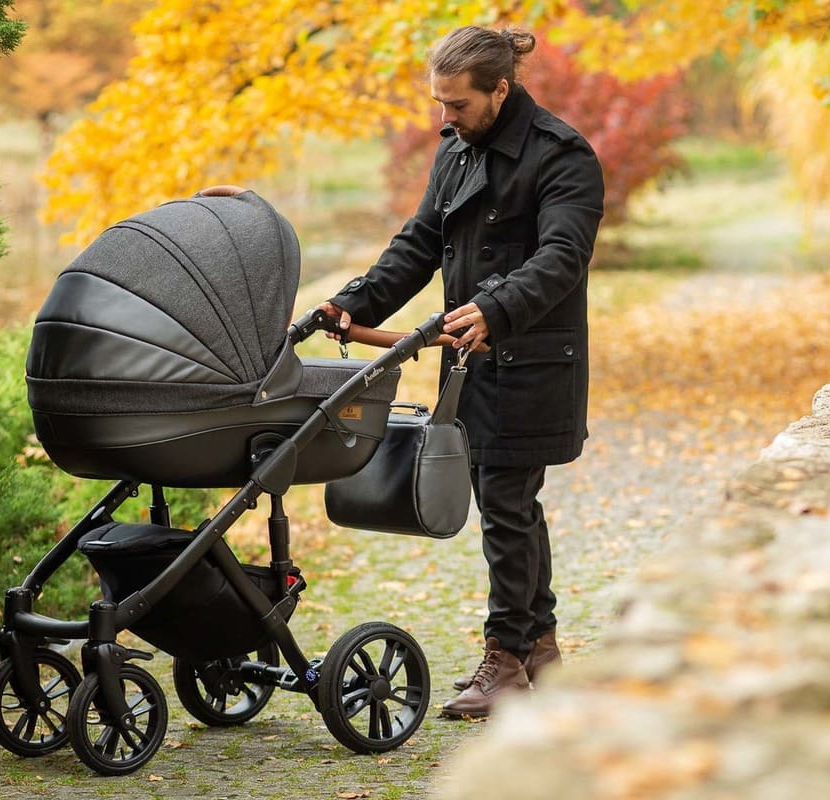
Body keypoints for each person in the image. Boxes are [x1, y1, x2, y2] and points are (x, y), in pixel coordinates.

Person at [318, 25, 604, 718]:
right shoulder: (457, 152)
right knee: (509, 505)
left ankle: (505, 661)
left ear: (500, 90)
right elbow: (419, 244)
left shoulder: (562, 157)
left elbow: (563, 256)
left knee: (505, 504)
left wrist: (495, 307)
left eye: (458, 104)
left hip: (532, 358)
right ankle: (539, 650)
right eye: (440, 103)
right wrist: (352, 303)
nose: (445, 117)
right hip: (472, 360)